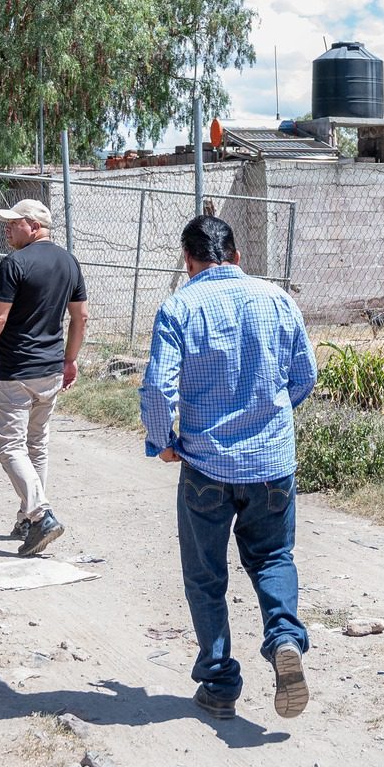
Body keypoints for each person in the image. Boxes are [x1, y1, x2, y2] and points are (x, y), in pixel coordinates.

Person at [140, 215, 320, 722]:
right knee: (272, 558)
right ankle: (284, 637)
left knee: (205, 576)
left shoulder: (179, 307)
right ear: (237, 256)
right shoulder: (278, 300)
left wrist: (163, 441)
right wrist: (272, 420)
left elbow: (157, 389)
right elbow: (303, 376)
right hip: (272, 465)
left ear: (188, 261)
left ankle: (219, 684)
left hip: (206, 467)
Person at [0, 199, 88, 556]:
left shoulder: (15, 264)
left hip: (17, 372)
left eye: (13, 223)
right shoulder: (69, 262)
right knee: (37, 446)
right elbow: (81, 317)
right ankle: (27, 520)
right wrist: (70, 359)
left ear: (32, 225)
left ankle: (40, 514)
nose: (7, 228)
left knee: (10, 447)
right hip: (50, 370)